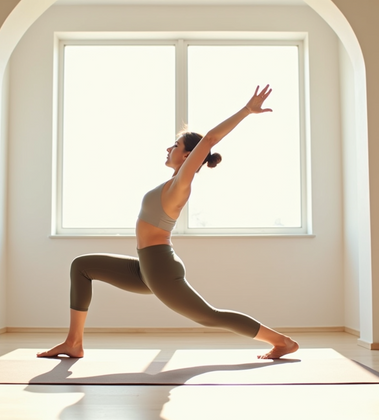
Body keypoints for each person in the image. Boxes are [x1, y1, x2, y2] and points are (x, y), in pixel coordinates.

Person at [38, 85, 299, 360]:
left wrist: (247, 110)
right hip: (146, 267)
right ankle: (73, 343)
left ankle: (282, 342)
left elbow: (209, 139)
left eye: (175, 145)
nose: (168, 148)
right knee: (82, 266)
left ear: (188, 156)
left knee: (210, 316)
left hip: (159, 267)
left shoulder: (181, 184)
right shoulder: (170, 183)